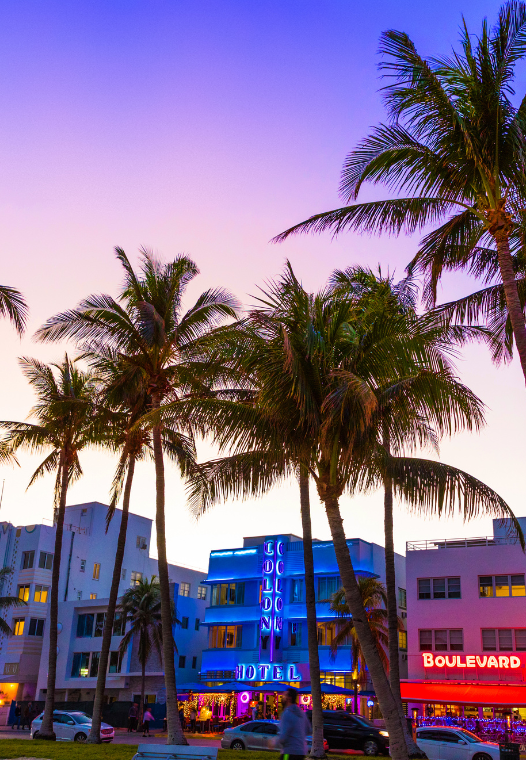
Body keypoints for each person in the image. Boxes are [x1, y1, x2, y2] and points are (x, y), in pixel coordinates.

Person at [277, 688, 310, 760]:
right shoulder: (302, 713)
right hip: (301, 752)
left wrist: (274, 741)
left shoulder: (287, 713)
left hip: (289, 752)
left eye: (284, 696)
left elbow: (283, 736)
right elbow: (309, 730)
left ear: (289, 698)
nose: (282, 698)